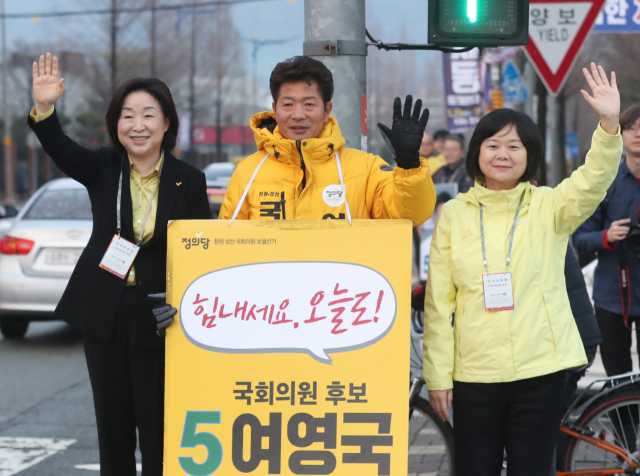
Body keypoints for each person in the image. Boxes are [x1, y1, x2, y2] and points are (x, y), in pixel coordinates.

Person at [423, 63, 621, 476]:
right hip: (473, 374)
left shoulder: (551, 206)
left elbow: (592, 181)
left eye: (515, 147)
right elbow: (439, 305)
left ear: (529, 156)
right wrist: (438, 376)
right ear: (478, 151)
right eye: (494, 144)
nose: (503, 154)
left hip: (540, 370)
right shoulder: (455, 215)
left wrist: (608, 125)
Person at [154, 55, 437, 333]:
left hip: (344, 318)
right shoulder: (248, 172)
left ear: (327, 110)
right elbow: (223, 252)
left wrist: (409, 165)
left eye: (309, 104)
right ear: (274, 108)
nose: (298, 114)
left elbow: (410, 214)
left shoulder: (365, 168)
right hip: (263, 319)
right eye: (288, 104)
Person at [28, 53, 210, 476]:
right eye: (127, 116)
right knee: (113, 432)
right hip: (105, 312)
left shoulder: (189, 179)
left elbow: (200, 250)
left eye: (149, 114)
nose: (138, 125)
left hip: (161, 315)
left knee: (158, 431)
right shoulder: (103, 167)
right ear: (116, 125)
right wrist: (45, 108)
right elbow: (61, 148)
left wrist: (186, 303)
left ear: (167, 124)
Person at [572, 105, 640, 378]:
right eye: (631, 128)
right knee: (617, 378)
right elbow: (579, 239)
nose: (637, 134)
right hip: (613, 295)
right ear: (621, 135)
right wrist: (607, 236)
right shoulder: (607, 182)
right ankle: (624, 422)